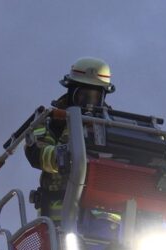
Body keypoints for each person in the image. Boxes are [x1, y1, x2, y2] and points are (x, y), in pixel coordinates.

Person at [24, 57, 115, 227]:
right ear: (71, 91)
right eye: (83, 95)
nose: (89, 102)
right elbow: (37, 152)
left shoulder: (113, 125)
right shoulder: (49, 120)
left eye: (95, 96)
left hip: (105, 225)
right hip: (57, 223)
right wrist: (65, 154)